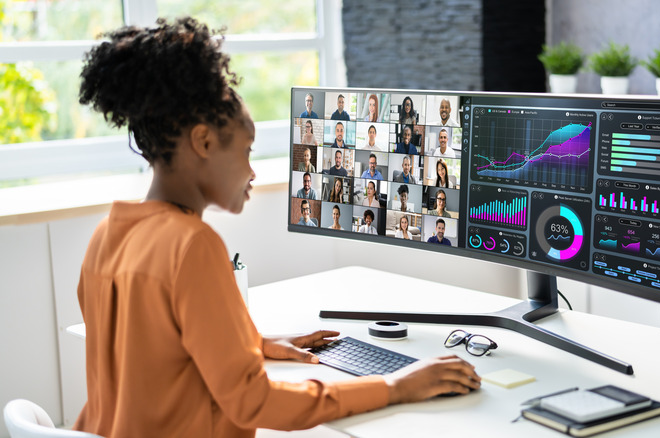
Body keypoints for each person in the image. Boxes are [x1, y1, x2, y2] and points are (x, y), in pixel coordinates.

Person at [75, 17, 480, 437]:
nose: (252, 172)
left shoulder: (107, 234)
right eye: (247, 151)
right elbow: (255, 402)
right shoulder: (191, 245)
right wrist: (395, 386)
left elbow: (155, 351)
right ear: (204, 142)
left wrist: (256, 344)